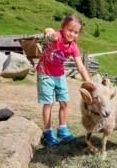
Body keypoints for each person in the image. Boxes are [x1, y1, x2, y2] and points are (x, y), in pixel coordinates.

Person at [36, 13, 90, 146]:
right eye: (69, 30)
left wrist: (89, 83)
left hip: (59, 75)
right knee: (49, 103)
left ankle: (62, 129)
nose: (72, 34)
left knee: (65, 102)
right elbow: (53, 35)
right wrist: (49, 31)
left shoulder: (73, 47)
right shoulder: (58, 37)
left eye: (76, 32)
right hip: (45, 73)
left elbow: (81, 66)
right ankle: (48, 132)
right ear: (63, 27)